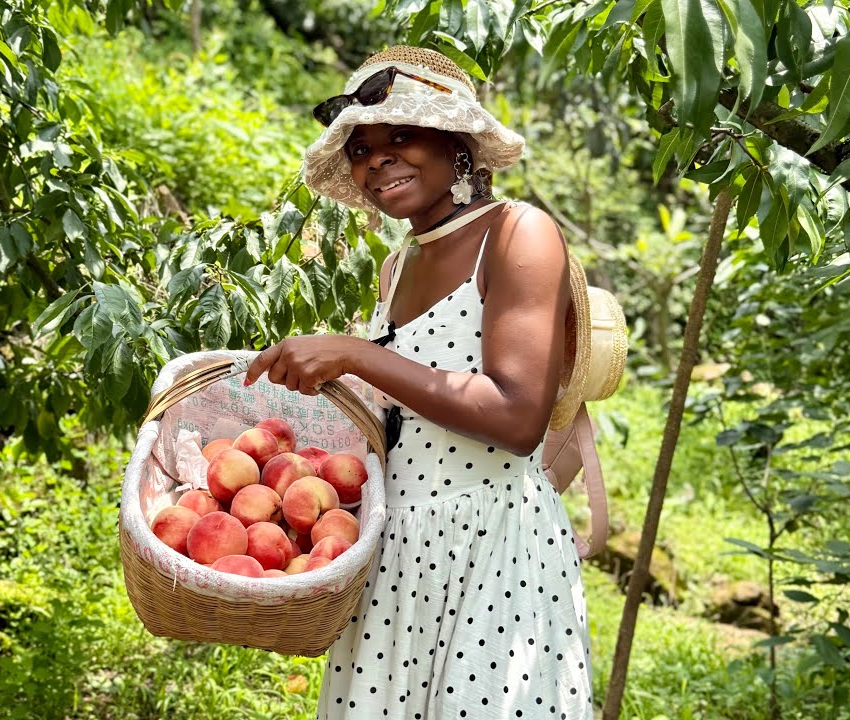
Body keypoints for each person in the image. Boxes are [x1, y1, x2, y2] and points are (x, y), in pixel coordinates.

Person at [244, 46, 595, 719]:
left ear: (457, 143)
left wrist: (354, 354)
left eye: (401, 134)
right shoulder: (397, 266)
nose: (377, 159)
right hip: (399, 555)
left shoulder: (519, 235)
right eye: (361, 147)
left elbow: (518, 418)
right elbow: (402, 417)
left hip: (490, 552)